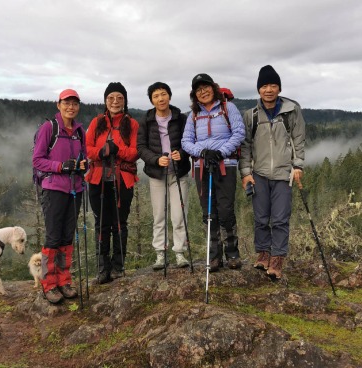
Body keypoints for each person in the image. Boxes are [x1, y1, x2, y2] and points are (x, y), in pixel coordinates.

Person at [239, 65, 305, 279]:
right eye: (265, 86)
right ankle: (263, 254)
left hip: (284, 174)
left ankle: (277, 259)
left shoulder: (292, 111)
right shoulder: (251, 115)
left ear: (279, 88)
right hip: (258, 173)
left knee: (280, 219)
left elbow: (299, 140)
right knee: (260, 218)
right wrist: (246, 172)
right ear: (259, 89)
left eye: (273, 85)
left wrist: (298, 166)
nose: (269, 90)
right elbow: (246, 146)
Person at [181, 73, 245, 272]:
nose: (203, 92)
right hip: (202, 166)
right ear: (195, 94)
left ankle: (232, 253)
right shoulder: (193, 115)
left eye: (206, 87)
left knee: (225, 209)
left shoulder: (228, 108)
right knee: (209, 212)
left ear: (213, 88)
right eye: (198, 90)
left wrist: (220, 152)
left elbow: (239, 133)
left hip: (226, 164)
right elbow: (186, 142)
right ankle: (214, 255)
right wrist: (202, 152)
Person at [31, 89, 88, 304]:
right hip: (54, 188)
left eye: (74, 103)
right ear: (59, 105)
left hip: (76, 189)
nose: (71, 107)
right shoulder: (50, 128)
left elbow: (83, 157)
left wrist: (84, 165)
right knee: (53, 238)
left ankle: (64, 281)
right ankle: (49, 284)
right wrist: (61, 166)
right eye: (67, 103)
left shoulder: (79, 132)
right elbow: (37, 160)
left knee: (67, 237)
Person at [85, 82, 140, 284]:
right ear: (105, 100)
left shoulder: (131, 124)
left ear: (124, 101)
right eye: (111, 98)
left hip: (122, 179)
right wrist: (101, 152)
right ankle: (102, 268)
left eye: (119, 98)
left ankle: (118, 266)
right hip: (98, 179)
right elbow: (87, 147)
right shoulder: (96, 122)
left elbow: (135, 152)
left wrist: (117, 149)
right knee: (101, 223)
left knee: (119, 222)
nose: (115, 102)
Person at [137, 82, 191, 270]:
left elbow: (189, 141)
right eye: (156, 96)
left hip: (179, 173)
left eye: (163, 94)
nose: (160, 98)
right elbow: (141, 147)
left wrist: (182, 154)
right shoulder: (146, 120)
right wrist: (155, 159)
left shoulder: (181, 118)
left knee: (179, 215)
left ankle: (179, 253)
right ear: (152, 100)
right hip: (156, 175)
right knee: (159, 215)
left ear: (169, 95)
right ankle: (160, 254)